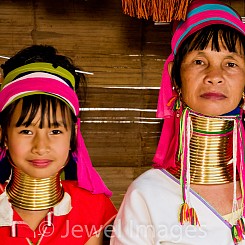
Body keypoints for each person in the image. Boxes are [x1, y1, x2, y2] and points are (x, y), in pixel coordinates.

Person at [110, 0, 245, 244]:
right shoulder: (147, 194)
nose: (214, 76)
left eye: (231, 63)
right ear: (175, 75)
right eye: (199, 61)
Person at [0, 45, 117, 245]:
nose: (41, 146)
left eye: (55, 131)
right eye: (26, 131)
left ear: (73, 136)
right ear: (3, 136)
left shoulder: (94, 210)